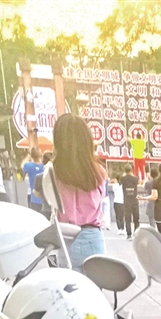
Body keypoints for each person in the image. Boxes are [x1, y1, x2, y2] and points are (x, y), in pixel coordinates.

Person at [51, 112, 107, 270]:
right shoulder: (98, 172)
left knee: (70, 285)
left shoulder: (54, 172)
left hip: (68, 238)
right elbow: (100, 199)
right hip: (94, 237)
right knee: (95, 285)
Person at [22, 146, 44, 214]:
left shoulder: (29, 166)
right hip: (45, 200)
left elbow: (22, 165)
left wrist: (28, 156)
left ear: (31, 156)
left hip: (34, 199)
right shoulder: (44, 166)